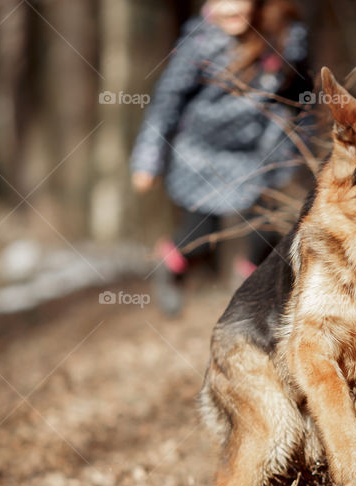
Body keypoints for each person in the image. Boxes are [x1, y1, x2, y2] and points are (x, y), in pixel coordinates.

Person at [130, 0, 310, 316]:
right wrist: (147, 160)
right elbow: (166, 102)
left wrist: (305, 148)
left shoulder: (284, 35)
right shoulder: (198, 42)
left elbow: (303, 98)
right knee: (199, 236)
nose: (229, 9)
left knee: (268, 228)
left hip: (259, 151)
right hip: (201, 153)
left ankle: (252, 295)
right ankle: (171, 266)